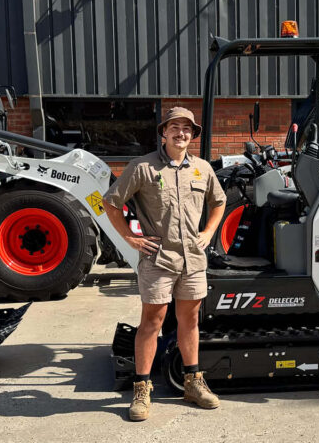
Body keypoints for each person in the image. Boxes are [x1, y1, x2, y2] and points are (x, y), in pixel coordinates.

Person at [103, 106, 227, 422]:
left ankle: (193, 383)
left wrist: (209, 231)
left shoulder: (202, 169)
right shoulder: (143, 167)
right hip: (158, 260)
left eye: (187, 128)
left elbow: (219, 201)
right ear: (164, 132)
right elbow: (110, 202)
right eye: (175, 127)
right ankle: (142, 389)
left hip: (193, 260)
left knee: (190, 320)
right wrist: (131, 240)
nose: (181, 133)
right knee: (152, 322)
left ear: (192, 135)